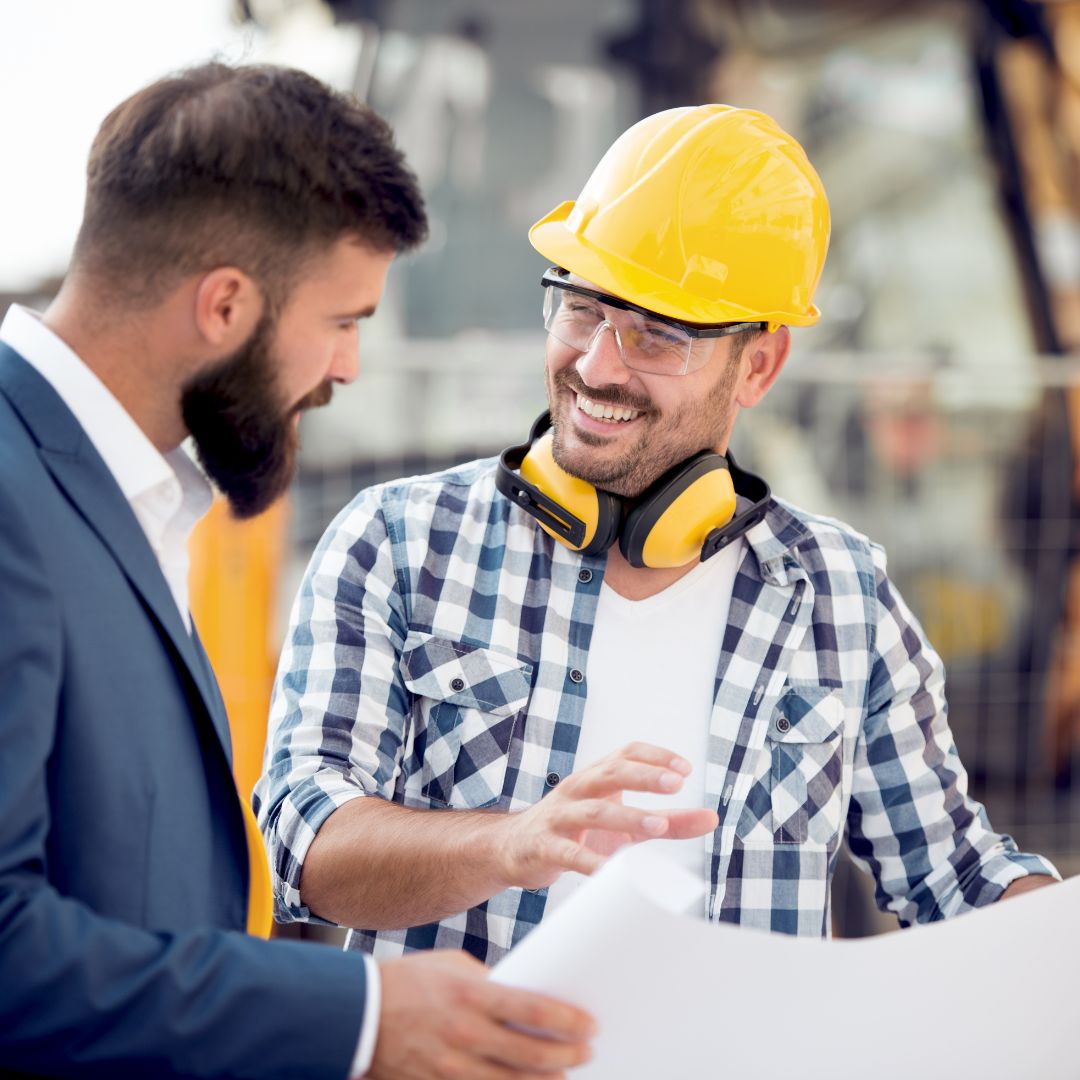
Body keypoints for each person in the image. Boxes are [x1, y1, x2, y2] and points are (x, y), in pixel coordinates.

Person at [257, 104, 1058, 965]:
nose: (599, 365)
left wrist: (1057, 936)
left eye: (658, 334)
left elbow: (956, 878)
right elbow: (309, 849)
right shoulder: (397, 545)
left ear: (759, 364)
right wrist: (508, 845)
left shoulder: (840, 597)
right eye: (581, 308)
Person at [0, 63, 595, 1080]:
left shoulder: (117, 497)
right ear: (226, 305)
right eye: (344, 320)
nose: (350, 367)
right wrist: (358, 1014)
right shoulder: (13, 500)